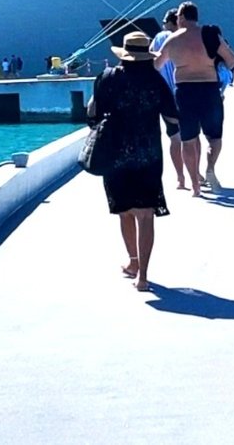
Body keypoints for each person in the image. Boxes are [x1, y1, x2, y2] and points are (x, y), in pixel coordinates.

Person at [87, 31, 175, 292]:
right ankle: (143, 276)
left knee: (124, 211)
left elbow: (93, 112)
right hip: (148, 154)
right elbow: (172, 116)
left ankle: (133, 263)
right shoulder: (155, 80)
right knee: (146, 215)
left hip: (115, 153)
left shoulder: (107, 78)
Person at [156, 1, 234, 195]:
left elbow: (156, 65)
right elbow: (232, 60)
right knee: (214, 137)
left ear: (182, 17)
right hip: (209, 89)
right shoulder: (210, 35)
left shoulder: (172, 40)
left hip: (185, 92)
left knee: (188, 139)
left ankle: (195, 185)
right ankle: (210, 168)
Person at [150, 8, 189, 191]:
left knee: (175, 138)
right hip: (185, 92)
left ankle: (180, 178)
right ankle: (195, 174)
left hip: (164, 96)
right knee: (191, 137)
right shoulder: (186, 37)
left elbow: (150, 61)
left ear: (169, 22)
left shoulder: (159, 38)